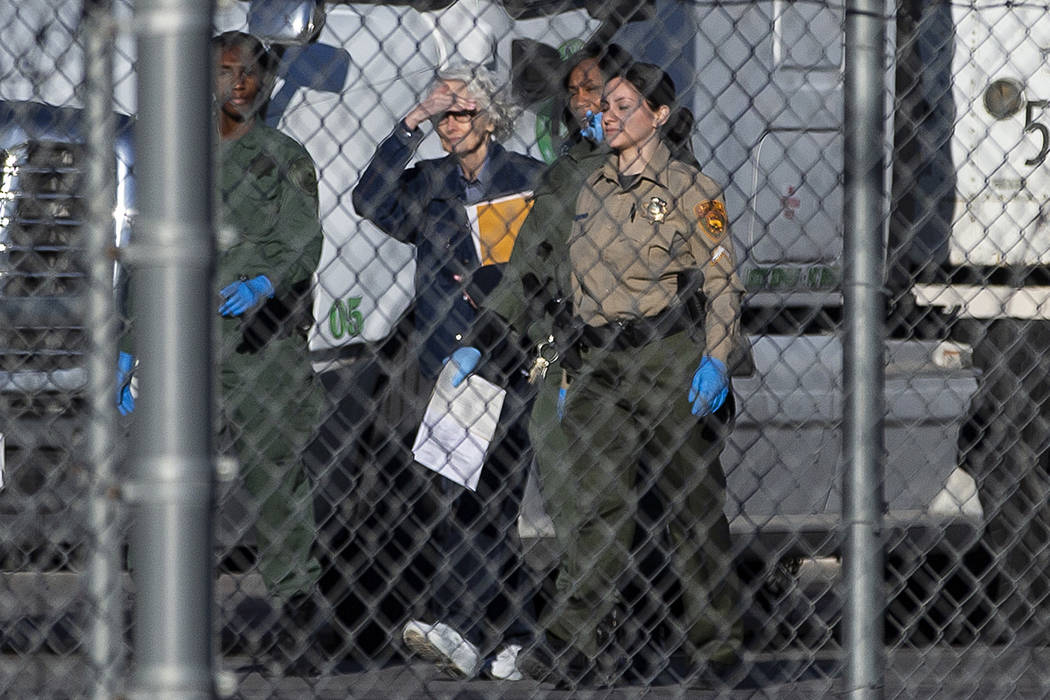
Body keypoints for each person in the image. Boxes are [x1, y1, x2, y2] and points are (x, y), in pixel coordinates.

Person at [466, 62, 747, 687]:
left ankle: (718, 648)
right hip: (596, 363)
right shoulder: (589, 186)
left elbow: (724, 281)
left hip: (666, 359)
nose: (608, 115)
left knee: (691, 507)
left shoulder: (690, 188)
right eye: (606, 105)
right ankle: (572, 641)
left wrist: (717, 358)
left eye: (624, 105)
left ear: (660, 116)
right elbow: (551, 264)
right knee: (595, 504)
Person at [351, 63, 545, 680]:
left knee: (486, 496)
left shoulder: (526, 181)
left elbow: (530, 278)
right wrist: (408, 124)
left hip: (505, 360)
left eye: (459, 112)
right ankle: (521, 631)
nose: (448, 124)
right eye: (441, 114)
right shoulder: (429, 181)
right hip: (448, 367)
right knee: (470, 499)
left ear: (489, 117)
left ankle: (460, 625)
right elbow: (369, 200)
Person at [211, 31, 325, 674]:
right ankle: (166, 614)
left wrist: (264, 282)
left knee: (276, 478)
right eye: (227, 72)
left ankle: (295, 617)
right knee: (170, 484)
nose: (240, 85)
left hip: (263, 347)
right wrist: (130, 344)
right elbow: (144, 256)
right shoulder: (178, 155)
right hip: (187, 345)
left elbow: (304, 243)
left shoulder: (284, 157)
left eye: (251, 74)